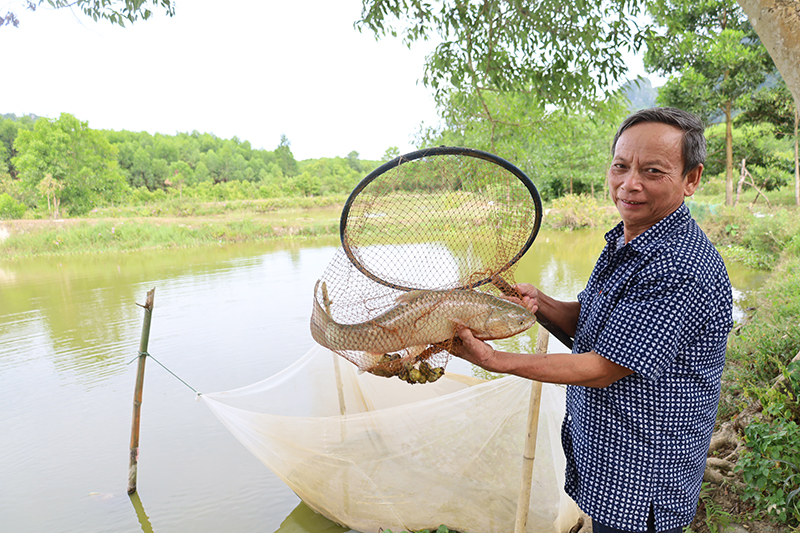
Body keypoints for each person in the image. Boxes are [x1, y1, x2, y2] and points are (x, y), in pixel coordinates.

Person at [454, 107, 733, 533]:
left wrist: (496, 360)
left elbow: (602, 368)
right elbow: (593, 323)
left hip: (643, 483)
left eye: (653, 171)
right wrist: (541, 301)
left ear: (691, 179)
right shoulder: (627, 237)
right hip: (609, 463)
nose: (629, 184)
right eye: (621, 166)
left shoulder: (680, 264)